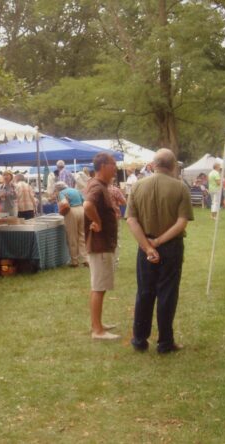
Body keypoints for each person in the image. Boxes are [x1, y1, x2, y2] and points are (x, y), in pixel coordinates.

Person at [126, 148, 194, 354]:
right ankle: (165, 342)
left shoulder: (137, 186)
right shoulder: (180, 188)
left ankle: (139, 339)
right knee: (167, 293)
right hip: (170, 247)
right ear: (173, 166)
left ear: (153, 164)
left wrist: (147, 246)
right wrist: (158, 242)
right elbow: (182, 222)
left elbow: (131, 219)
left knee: (145, 292)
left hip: (144, 244)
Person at [83, 152, 120, 341]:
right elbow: (87, 205)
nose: (116, 168)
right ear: (104, 165)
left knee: (100, 286)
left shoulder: (100, 185)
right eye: (113, 164)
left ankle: (98, 323)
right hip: (100, 245)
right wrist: (98, 222)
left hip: (103, 244)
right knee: (98, 287)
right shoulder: (97, 186)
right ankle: (97, 330)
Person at [55, 181, 87, 267]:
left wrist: (61, 211)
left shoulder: (61, 193)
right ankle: (85, 259)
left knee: (72, 236)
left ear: (58, 189)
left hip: (71, 211)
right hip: (81, 209)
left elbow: (65, 204)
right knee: (82, 235)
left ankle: (74, 261)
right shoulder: (75, 190)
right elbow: (84, 200)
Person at [107, 179, 126, 270]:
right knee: (115, 240)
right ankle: (114, 263)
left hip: (102, 218)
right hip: (114, 217)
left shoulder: (98, 189)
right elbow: (124, 202)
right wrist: (116, 203)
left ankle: (106, 263)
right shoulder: (115, 190)